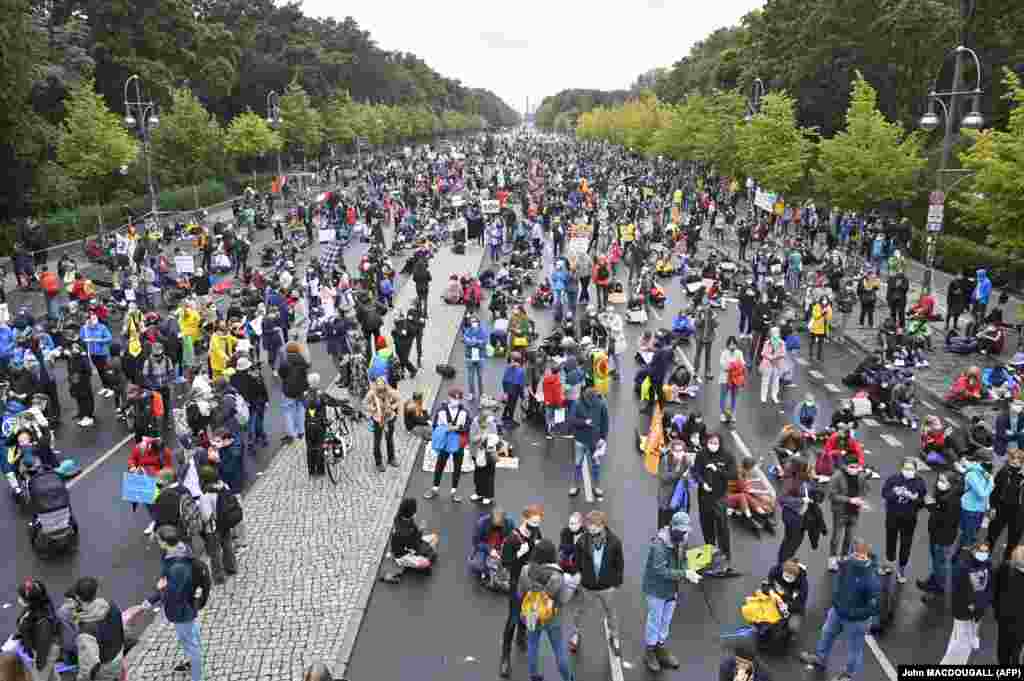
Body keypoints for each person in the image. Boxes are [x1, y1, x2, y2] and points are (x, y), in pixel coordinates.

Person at [801, 539, 880, 681]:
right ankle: (820, 658)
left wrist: (852, 614)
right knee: (827, 633)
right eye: (854, 554)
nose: (857, 558)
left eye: (861, 556)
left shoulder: (871, 579)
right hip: (837, 611)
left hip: (856, 621)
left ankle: (848, 675)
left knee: (854, 650)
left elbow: (872, 608)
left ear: (867, 556)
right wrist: (836, 602)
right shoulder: (847, 564)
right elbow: (839, 580)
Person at [641, 511, 700, 672]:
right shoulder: (659, 545)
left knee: (666, 620)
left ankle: (660, 647)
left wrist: (688, 570)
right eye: (683, 531)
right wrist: (684, 574)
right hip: (656, 590)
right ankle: (650, 651)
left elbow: (683, 560)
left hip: (671, 589)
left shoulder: (680, 541)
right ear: (675, 529)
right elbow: (661, 571)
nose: (686, 535)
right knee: (655, 621)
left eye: (686, 531)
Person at [144, 526, 204, 681]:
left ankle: (197, 676)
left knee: (190, 643)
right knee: (192, 634)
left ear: (164, 542)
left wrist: (161, 589)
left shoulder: (177, 566)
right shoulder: (180, 550)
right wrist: (152, 599)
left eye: (158, 539)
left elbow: (175, 593)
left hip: (182, 609)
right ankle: (192, 663)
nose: (157, 542)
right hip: (187, 605)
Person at [518, 538, 575, 681]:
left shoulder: (526, 570)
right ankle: (567, 678)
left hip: (532, 614)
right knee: (559, 650)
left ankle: (534, 675)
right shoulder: (557, 575)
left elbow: (520, 593)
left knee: (532, 646)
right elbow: (563, 599)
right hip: (551, 616)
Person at [498, 505, 544, 678]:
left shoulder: (536, 532)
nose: (536, 525)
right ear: (525, 519)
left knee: (529, 612)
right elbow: (505, 563)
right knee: (513, 618)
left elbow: (538, 554)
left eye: (538, 522)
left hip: (532, 581)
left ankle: (521, 635)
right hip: (517, 582)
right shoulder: (512, 539)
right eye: (533, 521)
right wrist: (518, 554)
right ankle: (505, 657)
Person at [571, 511, 624, 657]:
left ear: (603, 525)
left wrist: (617, 583)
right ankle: (575, 634)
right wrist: (577, 574)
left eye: (595, 525)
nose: (592, 528)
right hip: (587, 586)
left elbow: (619, 564)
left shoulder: (614, 542)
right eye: (590, 525)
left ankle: (615, 637)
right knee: (580, 611)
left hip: (606, 587)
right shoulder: (582, 541)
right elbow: (575, 560)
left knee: (611, 613)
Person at [60, 577, 124, 681]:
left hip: (104, 670)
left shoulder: (86, 631)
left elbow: (89, 667)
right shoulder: (112, 606)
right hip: (118, 658)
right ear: (96, 591)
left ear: (78, 598)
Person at [941, 541, 993, 665]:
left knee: (966, 640)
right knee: (958, 641)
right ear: (973, 552)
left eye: (986, 552)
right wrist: (969, 605)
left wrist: (983, 603)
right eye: (981, 551)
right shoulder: (964, 568)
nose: (983, 554)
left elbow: (989, 587)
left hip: (977, 610)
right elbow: (959, 591)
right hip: (964, 611)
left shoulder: (988, 566)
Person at [881, 458, 927, 582]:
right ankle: (888, 564)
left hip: (909, 519)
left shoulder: (920, 483)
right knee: (891, 540)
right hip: (892, 516)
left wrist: (912, 498)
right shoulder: (893, 479)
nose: (908, 471)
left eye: (911, 469)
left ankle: (901, 570)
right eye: (906, 468)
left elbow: (923, 502)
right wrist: (896, 493)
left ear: (916, 470)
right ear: (901, 469)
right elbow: (885, 494)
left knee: (906, 544)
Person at [918, 471, 963, 595]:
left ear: (952, 484)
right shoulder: (942, 495)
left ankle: (940, 586)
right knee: (936, 562)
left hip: (942, 538)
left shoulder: (952, 500)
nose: (939, 483)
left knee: (939, 564)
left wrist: (932, 507)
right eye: (939, 480)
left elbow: (947, 521)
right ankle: (935, 581)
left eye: (944, 481)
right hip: (935, 534)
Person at [10, 578, 60, 681]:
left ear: (30, 601)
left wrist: (39, 664)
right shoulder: (34, 607)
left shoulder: (43, 622)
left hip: (44, 653)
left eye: (21, 597)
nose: (18, 599)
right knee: (49, 673)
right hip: (40, 649)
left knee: (39, 676)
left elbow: (43, 646)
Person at [424, 388, 469, 502]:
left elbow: (468, 427)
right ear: (449, 398)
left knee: (457, 466)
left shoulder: (465, 412)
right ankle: (435, 488)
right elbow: (435, 426)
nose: (456, 400)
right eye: (454, 398)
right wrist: (445, 429)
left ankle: (454, 490)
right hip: (445, 441)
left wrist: (457, 428)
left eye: (458, 398)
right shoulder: (441, 411)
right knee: (440, 464)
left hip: (458, 442)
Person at [828, 455, 871, 572]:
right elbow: (832, 495)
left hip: (854, 512)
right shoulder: (837, 476)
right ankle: (832, 559)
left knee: (849, 536)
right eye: (852, 467)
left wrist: (862, 501)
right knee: (836, 537)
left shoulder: (861, 476)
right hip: (840, 512)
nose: (855, 469)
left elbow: (865, 490)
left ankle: (844, 557)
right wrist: (849, 500)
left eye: (857, 467)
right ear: (845, 466)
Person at [196, 465, 236, 584]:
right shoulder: (224, 486)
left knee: (215, 553)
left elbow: (206, 516)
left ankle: (219, 577)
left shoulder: (205, 496)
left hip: (213, 529)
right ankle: (231, 567)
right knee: (228, 545)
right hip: (226, 523)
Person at [568, 387, 608, 499]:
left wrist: (603, 438)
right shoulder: (577, 404)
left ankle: (595, 487)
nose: (591, 402)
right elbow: (571, 420)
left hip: (594, 441)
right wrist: (584, 422)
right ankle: (577, 486)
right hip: (581, 440)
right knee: (578, 464)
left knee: (595, 465)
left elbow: (605, 422)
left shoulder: (601, 404)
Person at [993, 544, 1024, 665]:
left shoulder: (1004, 568)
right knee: (1016, 651)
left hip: (1004, 620)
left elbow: (995, 591)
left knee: (1003, 650)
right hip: (1019, 624)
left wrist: (997, 611)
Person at [362, 377, 401, 472]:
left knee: (389, 439)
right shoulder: (372, 393)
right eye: (378, 384)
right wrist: (372, 408)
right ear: (376, 385)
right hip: (378, 419)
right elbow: (364, 403)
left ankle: (391, 458)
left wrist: (392, 407)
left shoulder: (389, 391)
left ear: (385, 384)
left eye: (382, 384)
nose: (380, 386)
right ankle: (378, 462)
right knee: (377, 441)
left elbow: (398, 400)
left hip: (389, 418)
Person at [468, 507, 513, 586]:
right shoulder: (481, 523)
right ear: (491, 518)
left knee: (510, 563)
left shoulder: (509, 523)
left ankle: (492, 572)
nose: (498, 526)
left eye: (500, 524)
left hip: (501, 547)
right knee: (477, 565)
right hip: (485, 547)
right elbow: (476, 542)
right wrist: (489, 550)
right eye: (496, 524)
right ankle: (488, 570)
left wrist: (504, 550)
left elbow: (511, 538)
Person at [278, 342, 310, 444]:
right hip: (301, 390)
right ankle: (301, 431)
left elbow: (281, 374)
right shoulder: (302, 359)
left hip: (288, 390)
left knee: (287, 411)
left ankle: (290, 434)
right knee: (300, 410)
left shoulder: (285, 361)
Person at [960, 457, 994, 549]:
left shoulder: (985, 471)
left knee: (972, 532)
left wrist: (988, 507)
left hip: (979, 509)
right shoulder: (972, 475)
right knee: (968, 534)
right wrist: (991, 480)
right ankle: (964, 550)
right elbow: (982, 494)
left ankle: (966, 545)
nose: (990, 461)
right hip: (970, 509)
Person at [656, 439, 689, 529]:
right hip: (666, 498)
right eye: (676, 451)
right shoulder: (665, 460)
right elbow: (664, 477)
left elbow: (691, 478)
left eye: (681, 450)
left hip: (679, 497)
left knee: (677, 524)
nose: (678, 453)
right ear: (671, 451)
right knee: (664, 525)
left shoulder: (686, 461)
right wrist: (679, 473)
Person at [718, 336, 745, 424]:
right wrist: (734, 365)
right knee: (723, 397)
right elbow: (723, 366)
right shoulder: (724, 353)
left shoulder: (739, 353)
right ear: (728, 345)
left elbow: (742, 364)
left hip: (735, 379)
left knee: (734, 397)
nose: (732, 346)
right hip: (725, 379)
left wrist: (732, 366)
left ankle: (733, 414)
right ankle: (722, 413)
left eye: (734, 344)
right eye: (730, 344)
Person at [463, 315, 488, 402]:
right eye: (472, 322)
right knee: (470, 377)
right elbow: (466, 341)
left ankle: (482, 393)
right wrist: (477, 342)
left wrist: (473, 342)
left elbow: (484, 342)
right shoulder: (467, 331)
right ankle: (471, 393)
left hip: (480, 357)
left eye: (475, 321)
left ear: (478, 322)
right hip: (469, 357)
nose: (474, 323)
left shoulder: (483, 331)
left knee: (480, 376)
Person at [758, 327, 786, 404]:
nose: (775, 335)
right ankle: (763, 396)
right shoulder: (767, 343)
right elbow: (763, 353)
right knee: (765, 380)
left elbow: (783, 353)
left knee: (776, 381)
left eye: (776, 333)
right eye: (773, 333)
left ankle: (774, 395)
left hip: (777, 364)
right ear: (770, 334)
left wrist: (776, 357)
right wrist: (770, 358)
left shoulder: (782, 343)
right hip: (767, 364)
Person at [808, 295, 832, 362]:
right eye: (823, 300)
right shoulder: (816, 306)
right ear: (821, 300)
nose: (824, 301)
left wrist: (827, 313)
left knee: (821, 343)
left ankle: (819, 357)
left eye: (826, 300)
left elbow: (829, 318)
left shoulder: (828, 307)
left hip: (823, 328)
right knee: (812, 341)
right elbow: (815, 316)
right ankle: (811, 353)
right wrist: (822, 313)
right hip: (815, 328)